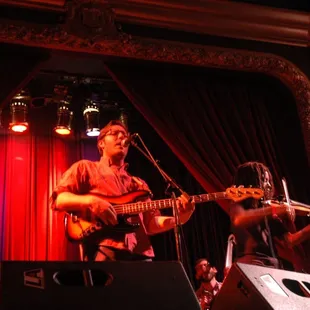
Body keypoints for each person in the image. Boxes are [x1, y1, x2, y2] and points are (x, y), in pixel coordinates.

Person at [51, 120, 195, 261]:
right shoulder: (85, 168)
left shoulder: (138, 184)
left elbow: (150, 224)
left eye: (124, 135)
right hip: (104, 249)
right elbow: (59, 200)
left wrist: (180, 218)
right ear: (101, 143)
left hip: (141, 254)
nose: (121, 137)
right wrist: (92, 201)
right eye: (114, 133)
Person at [230, 161, 310, 270]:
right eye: (264, 180)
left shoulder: (267, 209)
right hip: (251, 265)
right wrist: (273, 210)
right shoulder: (238, 205)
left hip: (272, 265)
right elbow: (240, 219)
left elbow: (289, 241)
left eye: (268, 181)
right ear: (251, 181)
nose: (268, 185)